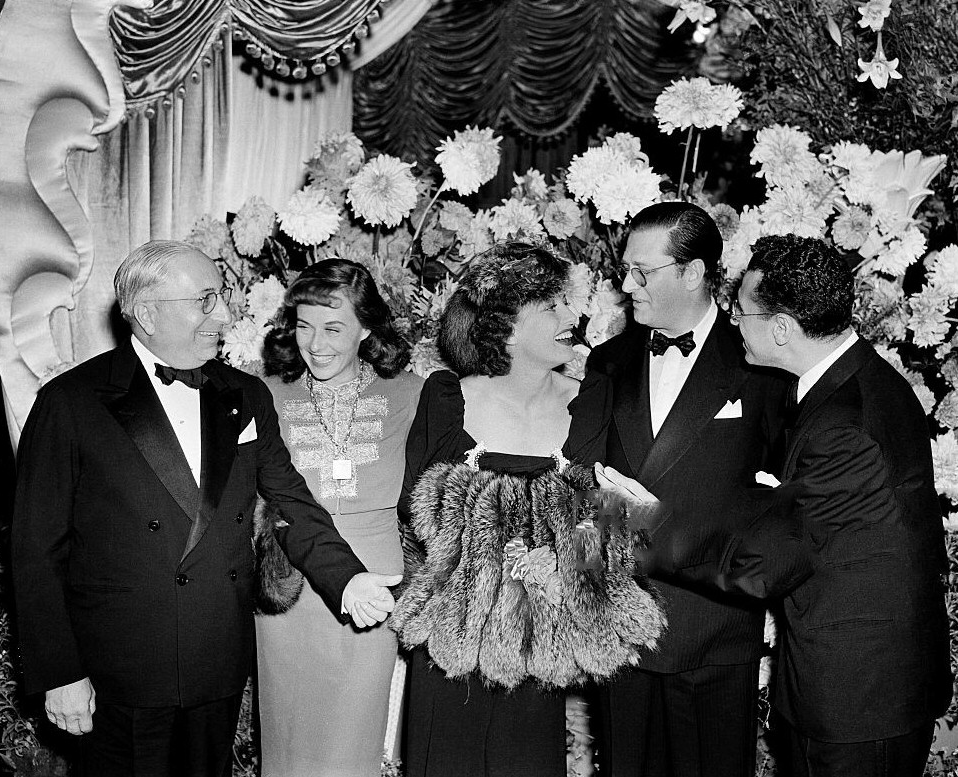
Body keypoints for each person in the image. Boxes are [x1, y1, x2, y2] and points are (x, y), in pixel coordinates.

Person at [10, 240, 400, 777]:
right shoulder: (71, 403)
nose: (225, 314)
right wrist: (60, 672)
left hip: (216, 660)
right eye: (207, 299)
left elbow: (290, 501)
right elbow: (36, 550)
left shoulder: (244, 395)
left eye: (222, 297)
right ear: (146, 313)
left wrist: (347, 578)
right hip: (120, 672)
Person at [392, 242, 666, 777]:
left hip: (542, 649)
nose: (574, 316)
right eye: (554, 306)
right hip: (451, 647)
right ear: (506, 327)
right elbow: (414, 515)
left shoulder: (593, 399)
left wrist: (566, 565)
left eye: (570, 302)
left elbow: (612, 513)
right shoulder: (445, 397)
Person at [718, 234, 951, 777]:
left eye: (740, 311)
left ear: (780, 327)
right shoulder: (859, 379)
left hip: (859, 699)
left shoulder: (840, 422)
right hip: (862, 680)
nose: (734, 322)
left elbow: (763, 567)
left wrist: (645, 524)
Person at [577, 202, 788, 777]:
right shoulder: (607, 361)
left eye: (643, 273)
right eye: (627, 270)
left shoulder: (761, 364)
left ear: (693, 272)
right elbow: (584, 484)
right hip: (621, 626)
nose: (627, 286)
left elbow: (783, 495)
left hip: (715, 631)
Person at [255, 258, 424, 777]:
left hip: (374, 588)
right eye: (304, 326)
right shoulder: (264, 395)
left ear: (367, 328)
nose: (316, 343)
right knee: (286, 746)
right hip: (289, 589)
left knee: (350, 748)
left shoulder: (413, 394)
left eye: (334, 328)